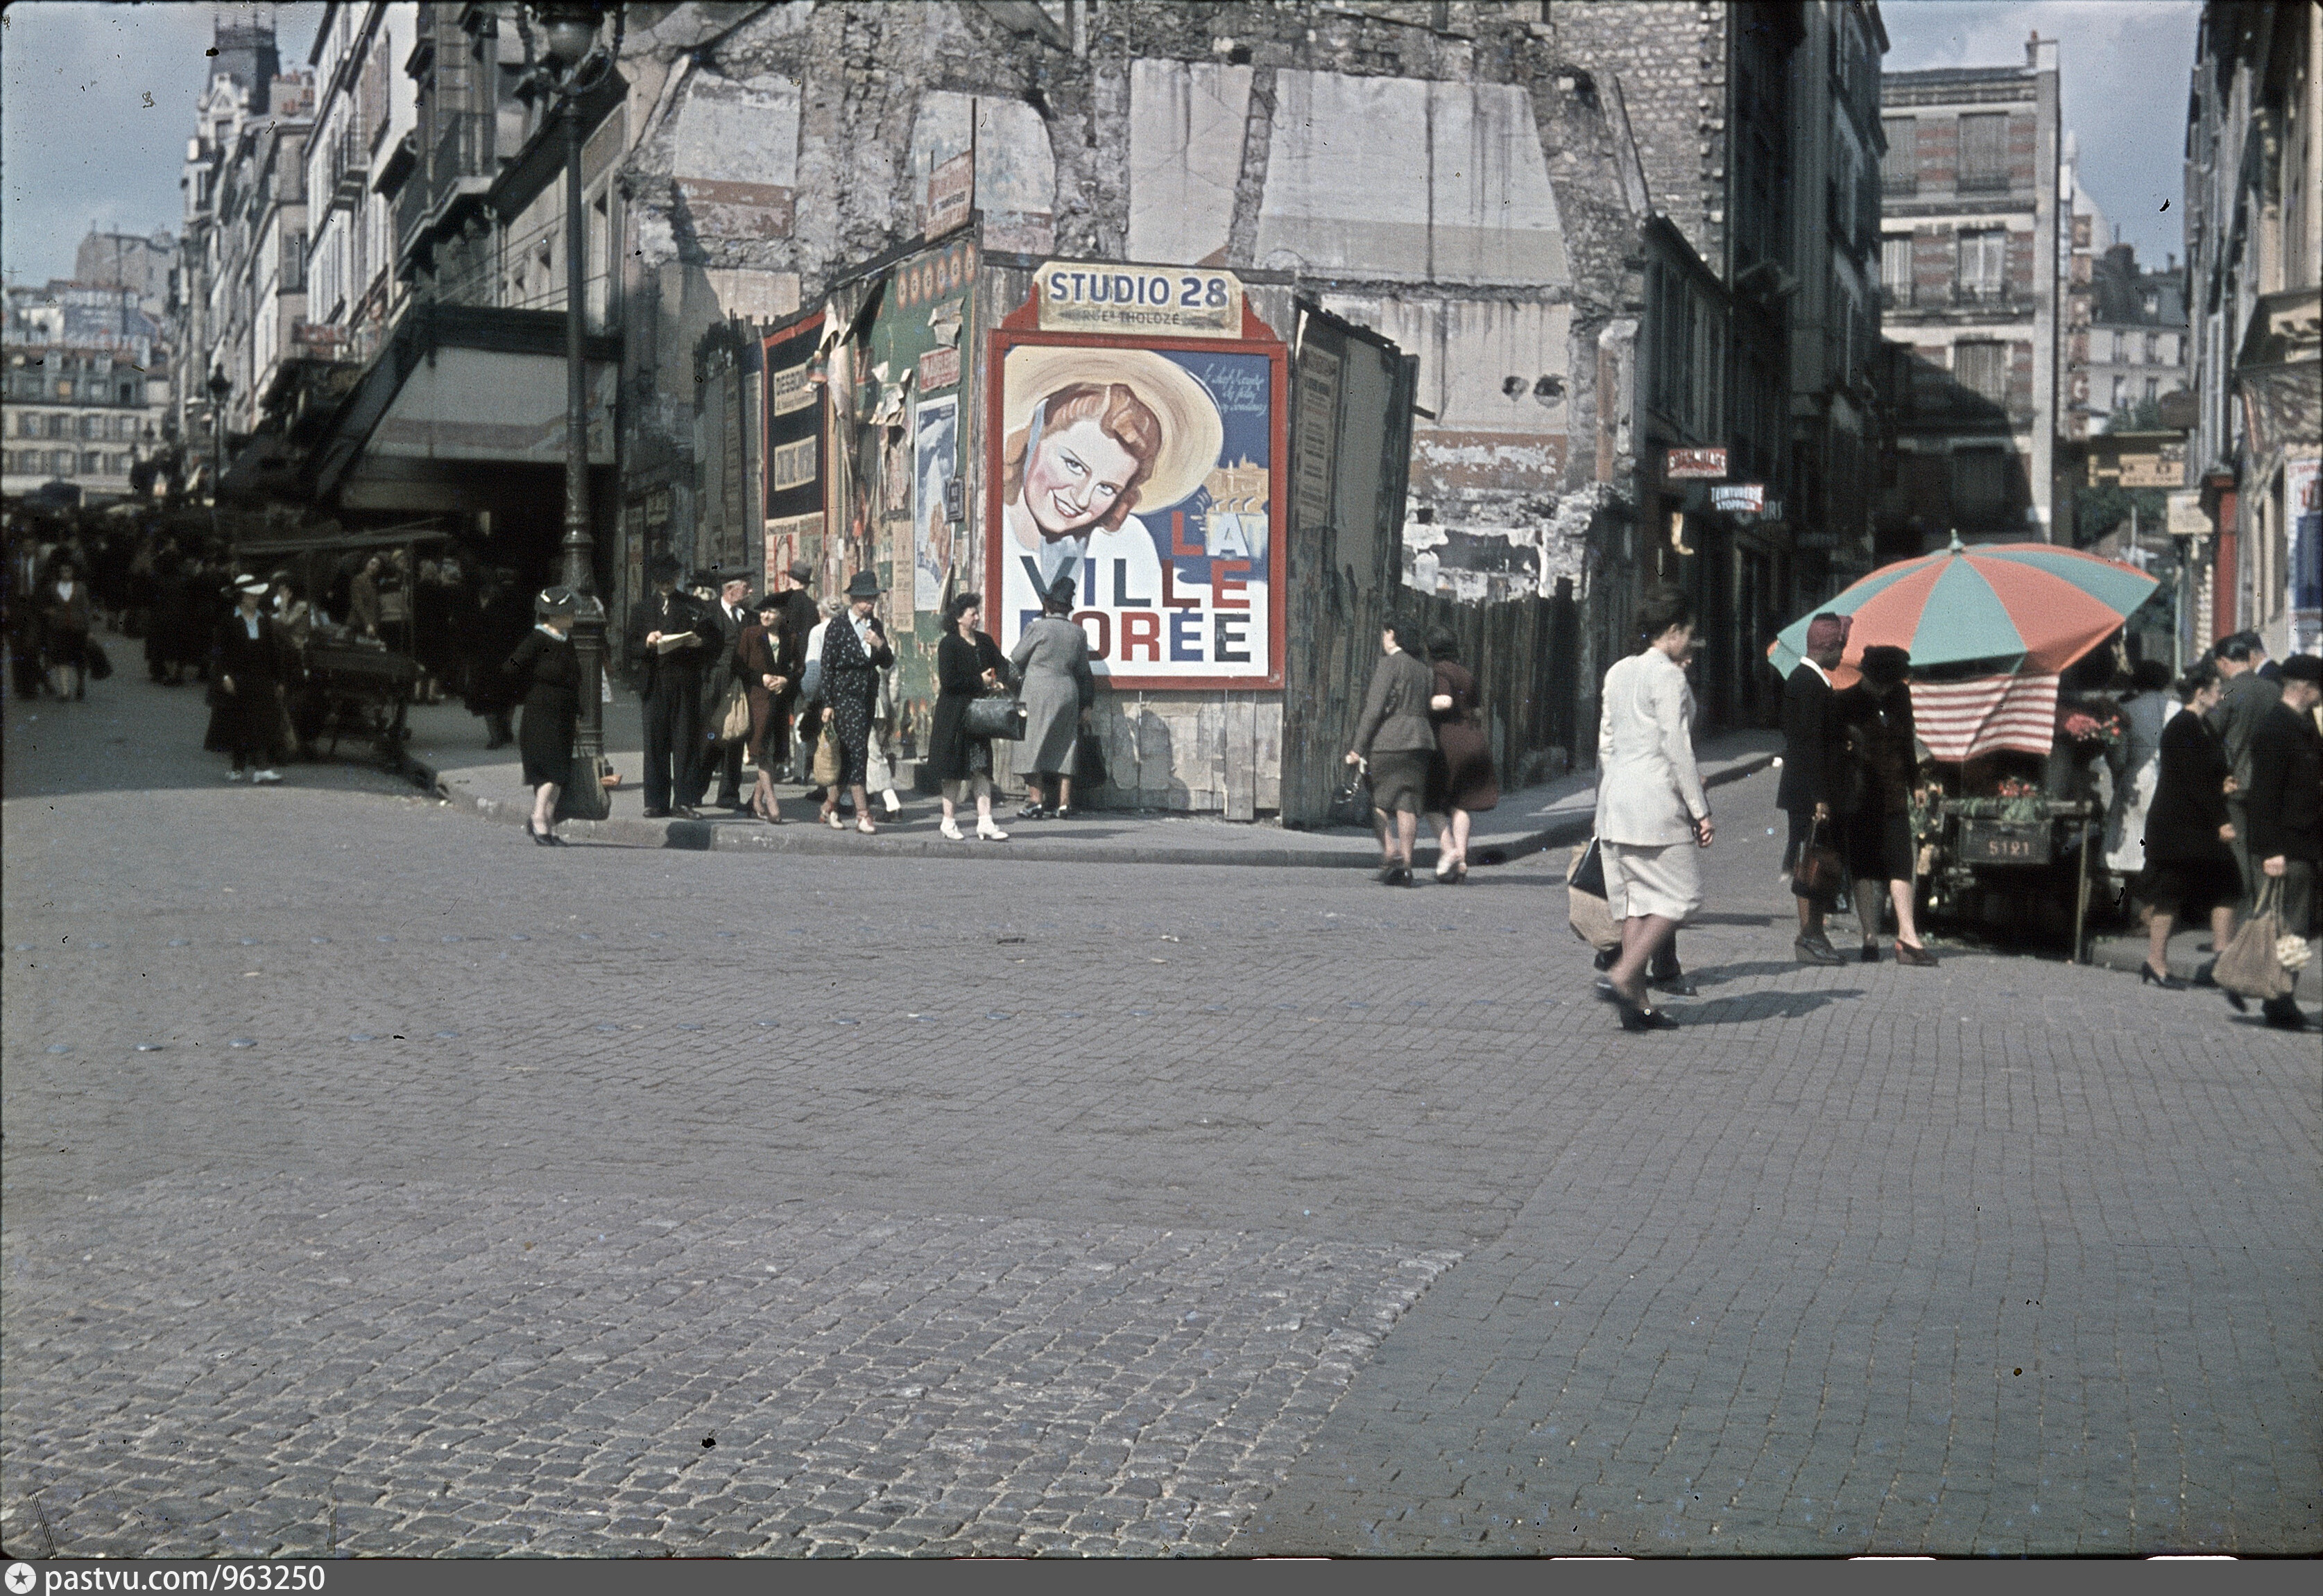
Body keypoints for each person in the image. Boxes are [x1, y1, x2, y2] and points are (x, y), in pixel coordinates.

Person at [997, 354, 1220, 637]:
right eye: (1073, 465)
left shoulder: (1129, 541)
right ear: (1035, 436)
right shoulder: (994, 524)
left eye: (1107, 488)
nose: (1081, 500)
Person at [1591, 585, 1714, 1031]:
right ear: (1674, 630)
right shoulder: (1668, 676)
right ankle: (1622, 975)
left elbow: (1606, 743)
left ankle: (1637, 1005)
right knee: (1684, 894)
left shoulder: (1618, 671)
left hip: (1616, 798)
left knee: (1637, 903)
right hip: (1655, 801)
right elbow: (1677, 747)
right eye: (1689, 634)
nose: (1690, 644)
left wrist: (1609, 792)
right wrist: (1699, 809)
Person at [2137, 663, 2242, 990]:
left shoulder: (2202, 726)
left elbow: (2205, 773)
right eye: (2217, 690)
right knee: (2170, 894)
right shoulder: (2182, 727)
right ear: (2200, 693)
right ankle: (2156, 962)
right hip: (2178, 827)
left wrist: (2223, 783)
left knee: (2227, 887)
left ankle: (2220, 963)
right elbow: (2192, 782)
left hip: (2196, 824)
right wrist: (2222, 821)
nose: (2221, 695)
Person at [1834, 646, 1938, 966]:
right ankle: (1869, 937)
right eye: (1880, 683)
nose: (1884, 690)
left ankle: (1907, 936)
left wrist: (1916, 782)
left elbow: (1907, 742)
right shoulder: (1846, 702)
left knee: (1901, 863)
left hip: (1893, 794)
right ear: (1867, 675)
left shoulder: (1900, 696)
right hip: (1860, 796)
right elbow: (1833, 749)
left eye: (1890, 684)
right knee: (1864, 866)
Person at [2240, 653, 2320, 1029]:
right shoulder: (2277, 728)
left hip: (2304, 841)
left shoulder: (2303, 725)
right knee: (2287, 927)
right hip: (2286, 845)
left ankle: (2280, 995)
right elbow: (2264, 795)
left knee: (2294, 927)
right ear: (2305, 688)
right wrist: (2271, 850)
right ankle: (2277, 999)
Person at [1778, 612, 1852, 965]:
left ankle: (1815, 935)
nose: (1843, 655)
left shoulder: (1811, 680)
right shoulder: (1807, 683)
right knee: (1811, 863)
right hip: (1810, 794)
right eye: (1841, 647)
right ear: (1828, 646)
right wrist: (1819, 797)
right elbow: (1809, 746)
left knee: (1817, 862)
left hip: (1811, 790)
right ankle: (1809, 936)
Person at [1346, 617, 1437, 885]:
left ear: (1392, 635)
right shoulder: (1424, 670)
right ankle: (1406, 864)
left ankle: (1390, 851)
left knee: (1379, 802)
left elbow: (1374, 710)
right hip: (1420, 742)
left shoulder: (1389, 665)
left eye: (1384, 634)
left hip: (1389, 742)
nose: (1383, 640)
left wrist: (1357, 748)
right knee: (1408, 803)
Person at [627, 551, 717, 818]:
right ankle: (656, 802)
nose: (665, 585)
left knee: (685, 742)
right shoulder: (642, 609)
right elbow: (629, 648)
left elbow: (714, 640)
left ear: (677, 578)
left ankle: (685, 801)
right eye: (660, 581)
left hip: (684, 682)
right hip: (654, 683)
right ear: (654, 581)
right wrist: (647, 643)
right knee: (655, 743)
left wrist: (700, 643)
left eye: (670, 580)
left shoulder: (693, 605)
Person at [1009, 575, 1097, 820]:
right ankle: (1064, 803)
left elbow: (1017, 657)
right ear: (1068, 608)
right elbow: (1083, 671)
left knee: (1031, 744)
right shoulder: (1078, 633)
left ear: (1047, 604)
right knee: (1066, 745)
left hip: (1038, 691)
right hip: (1068, 691)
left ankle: (1036, 801)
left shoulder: (1037, 628)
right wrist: (1087, 705)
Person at [929, 591, 1012, 842]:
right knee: (953, 771)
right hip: (954, 716)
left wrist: (1000, 681)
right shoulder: (949, 645)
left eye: (977, 613)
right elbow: (949, 682)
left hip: (979, 718)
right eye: (972, 614)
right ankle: (948, 821)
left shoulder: (984, 641)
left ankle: (985, 822)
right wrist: (980, 681)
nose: (977, 617)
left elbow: (1002, 664)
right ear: (958, 618)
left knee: (981, 769)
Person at [818, 571, 897, 832]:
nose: (870, 604)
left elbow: (887, 662)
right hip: (844, 695)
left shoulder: (875, 625)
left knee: (850, 753)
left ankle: (830, 806)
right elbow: (827, 667)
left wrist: (879, 644)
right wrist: (828, 703)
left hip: (867, 696)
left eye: (873, 599)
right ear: (853, 599)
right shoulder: (838, 626)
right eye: (865, 599)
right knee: (858, 753)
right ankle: (863, 814)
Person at [2209, 631, 2281, 913]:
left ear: (2224, 662)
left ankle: (2244, 911)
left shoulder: (2227, 692)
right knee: (2263, 850)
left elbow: (2211, 733)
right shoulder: (2273, 690)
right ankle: (2266, 910)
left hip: (2235, 782)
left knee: (2238, 849)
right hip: (2268, 782)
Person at [504, 586, 581, 846]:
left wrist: (578, 714)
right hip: (541, 713)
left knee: (559, 772)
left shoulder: (566, 639)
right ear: (555, 616)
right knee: (551, 771)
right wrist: (530, 684)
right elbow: (512, 666)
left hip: (564, 714)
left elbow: (574, 678)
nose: (574, 615)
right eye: (569, 612)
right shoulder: (538, 639)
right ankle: (539, 818)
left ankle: (547, 822)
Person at [1423, 628, 1498, 883]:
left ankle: (1450, 851)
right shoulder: (1466, 674)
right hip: (1474, 740)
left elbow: (1444, 701)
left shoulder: (1439, 671)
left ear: (1431, 649)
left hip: (1449, 742)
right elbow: (1477, 711)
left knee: (1431, 804)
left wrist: (1421, 702)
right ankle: (1462, 861)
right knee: (1461, 804)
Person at [206, 575, 287, 783]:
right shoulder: (228, 620)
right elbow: (218, 652)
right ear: (241, 597)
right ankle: (238, 766)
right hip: (237, 678)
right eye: (251, 595)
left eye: (257, 596)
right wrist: (224, 676)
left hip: (261, 677)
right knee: (239, 723)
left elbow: (272, 652)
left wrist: (279, 680)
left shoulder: (264, 620)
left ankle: (262, 767)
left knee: (261, 721)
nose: (255, 599)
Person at [688, 568, 755, 814]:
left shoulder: (750, 617)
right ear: (729, 589)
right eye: (745, 586)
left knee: (735, 735)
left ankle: (728, 795)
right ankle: (695, 791)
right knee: (709, 737)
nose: (750, 591)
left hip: (739, 683)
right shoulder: (709, 614)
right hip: (713, 683)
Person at [2103, 658, 2176, 876]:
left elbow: (2118, 757)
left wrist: (2118, 775)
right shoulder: (2178, 709)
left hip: (2136, 780)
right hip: (2170, 784)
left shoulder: (2126, 711)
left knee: (2132, 853)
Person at [735, 590, 799, 823]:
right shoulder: (751, 635)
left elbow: (799, 668)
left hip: (779, 703)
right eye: (763, 611)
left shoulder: (790, 638)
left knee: (771, 753)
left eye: (771, 612)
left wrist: (786, 680)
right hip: (757, 701)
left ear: (782, 615)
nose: (765, 616)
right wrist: (760, 678)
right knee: (762, 751)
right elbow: (738, 666)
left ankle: (756, 801)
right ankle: (772, 803)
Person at [772, 560, 821, 782]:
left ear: (791, 580)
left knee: (782, 718)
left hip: (787, 669)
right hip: (807, 668)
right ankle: (803, 771)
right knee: (802, 717)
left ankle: (783, 765)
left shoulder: (786, 605)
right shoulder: (812, 607)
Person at [40, 556, 93, 701]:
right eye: (63, 571)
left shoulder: (81, 588)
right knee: (61, 659)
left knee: (79, 659)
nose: (65, 574)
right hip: (59, 628)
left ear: (73, 572)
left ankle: (80, 683)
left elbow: (86, 609)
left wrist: (89, 630)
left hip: (78, 628)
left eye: (68, 571)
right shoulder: (52, 588)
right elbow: (43, 604)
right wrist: (48, 611)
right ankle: (65, 691)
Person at [348, 554, 384, 640]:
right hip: (358, 623)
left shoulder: (374, 584)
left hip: (370, 625)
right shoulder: (359, 579)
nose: (374, 567)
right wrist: (368, 624)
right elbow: (358, 603)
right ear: (366, 563)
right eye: (372, 563)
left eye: (377, 566)